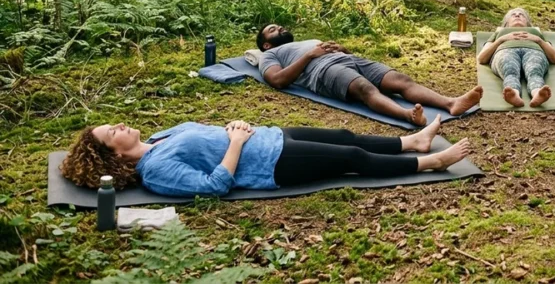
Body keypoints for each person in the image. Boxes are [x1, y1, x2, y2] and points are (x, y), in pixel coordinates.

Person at [60, 116, 471, 197]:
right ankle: (429, 163)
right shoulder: (154, 170)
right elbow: (212, 187)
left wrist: (232, 128)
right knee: (351, 155)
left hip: (270, 137)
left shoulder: (158, 138)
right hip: (271, 164)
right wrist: (236, 143)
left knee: (345, 133)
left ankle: (412, 142)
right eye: (111, 132)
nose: (118, 126)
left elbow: (206, 136)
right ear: (114, 154)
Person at [255, 24, 482, 126]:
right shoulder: (269, 55)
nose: (280, 29)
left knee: (401, 81)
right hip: (322, 71)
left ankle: (451, 103)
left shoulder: (306, 41)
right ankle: (407, 116)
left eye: (280, 26)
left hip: (347, 59)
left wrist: (342, 49)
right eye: (273, 30)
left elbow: (338, 52)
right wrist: (310, 56)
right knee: (365, 89)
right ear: (266, 44)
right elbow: (277, 81)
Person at [476, 8, 555, 107]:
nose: (517, 16)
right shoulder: (501, 32)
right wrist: (501, 40)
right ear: (507, 22)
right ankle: (514, 95)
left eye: (521, 14)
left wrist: (538, 40)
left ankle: (537, 94)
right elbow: (481, 58)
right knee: (510, 69)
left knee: (535, 70)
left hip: (534, 51)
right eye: (513, 15)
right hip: (505, 51)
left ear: (527, 22)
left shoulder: (534, 32)